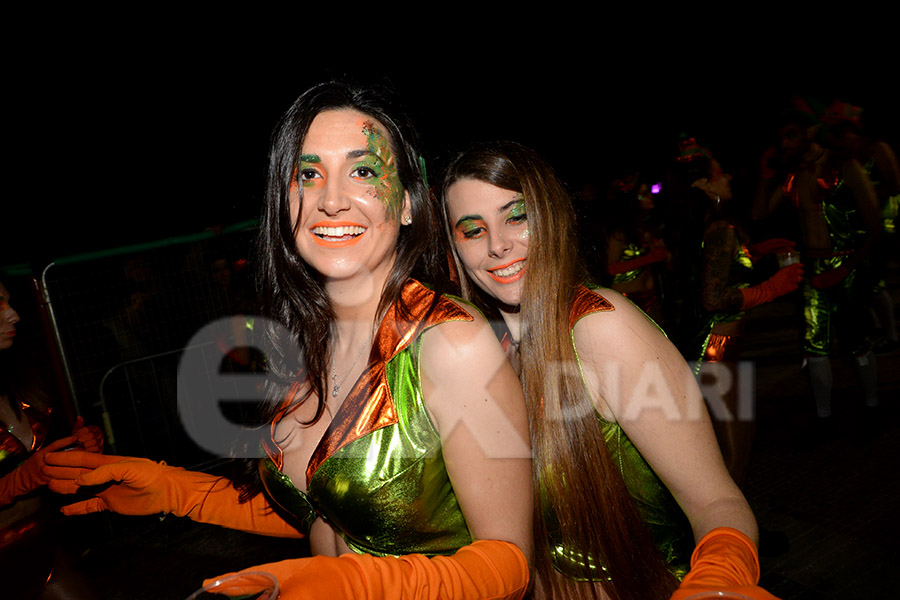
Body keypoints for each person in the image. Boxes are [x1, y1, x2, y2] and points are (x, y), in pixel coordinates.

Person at [44, 81, 533, 599]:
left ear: (410, 203)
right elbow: (325, 510)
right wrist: (175, 490)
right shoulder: (307, 343)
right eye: (309, 174)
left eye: (363, 172)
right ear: (284, 199)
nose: (332, 200)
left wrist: (357, 584)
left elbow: (510, 563)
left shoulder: (451, 343)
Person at [440, 141, 777, 600]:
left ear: (552, 215)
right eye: (473, 230)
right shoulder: (482, 348)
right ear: (454, 247)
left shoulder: (602, 328)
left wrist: (719, 577)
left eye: (517, 216)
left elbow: (717, 501)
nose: (498, 245)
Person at [666, 137, 803, 486]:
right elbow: (713, 297)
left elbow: (717, 272)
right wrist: (776, 286)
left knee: (726, 444)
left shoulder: (704, 227)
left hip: (710, 347)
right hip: (715, 349)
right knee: (733, 451)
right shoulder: (719, 230)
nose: (727, 177)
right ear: (703, 185)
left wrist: (760, 252)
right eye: (718, 173)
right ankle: (733, 533)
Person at [753, 105, 884, 434]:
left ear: (810, 133)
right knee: (813, 344)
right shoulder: (793, 174)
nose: (785, 144)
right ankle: (824, 417)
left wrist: (846, 269)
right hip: (811, 265)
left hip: (847, 262)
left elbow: (875, 227)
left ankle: (873, 408)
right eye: (780, 139)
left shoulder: (845, 166)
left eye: (791, 136)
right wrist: (765, 176)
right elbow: (758, 214)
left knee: (858, 341)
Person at [1, 278, 105, 599]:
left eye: (8, 302)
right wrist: (17, 481)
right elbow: (21, 470)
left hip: (39, 543)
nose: (14, 314)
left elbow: (34, 460)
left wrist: (77, 449)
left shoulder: (19, 378)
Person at [600, 173, 670, 327]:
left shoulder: (645, 228)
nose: (651, 196)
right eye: (644, 194)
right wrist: (650, 257)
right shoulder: (620, 233)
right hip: (628, 299)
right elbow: (610, 268)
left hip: (650, 299)